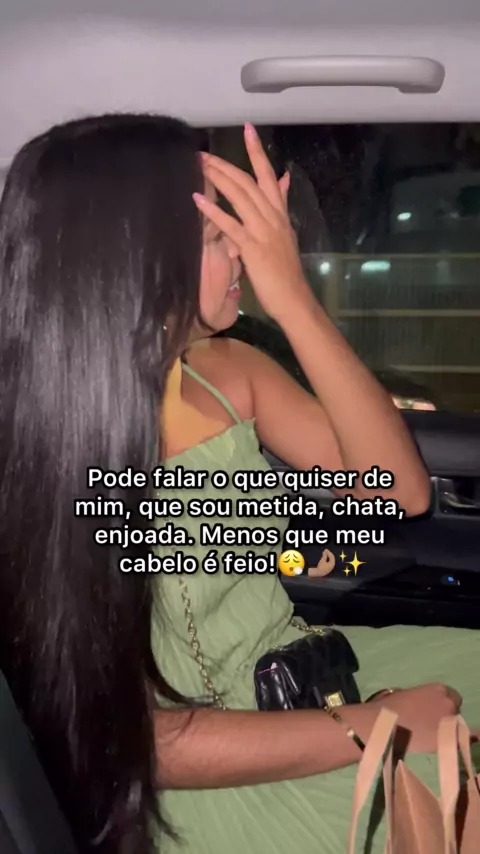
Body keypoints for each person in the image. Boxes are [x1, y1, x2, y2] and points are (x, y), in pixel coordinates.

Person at [0, 114, 478, 854]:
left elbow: (400, 492)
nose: (244, 257)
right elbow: (136, 740)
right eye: (218, 237)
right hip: (217, 770)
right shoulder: (45, 450)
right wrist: (370, 726)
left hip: (300, 668)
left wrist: (295, 301)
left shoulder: (227, 371)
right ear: (134, 259)